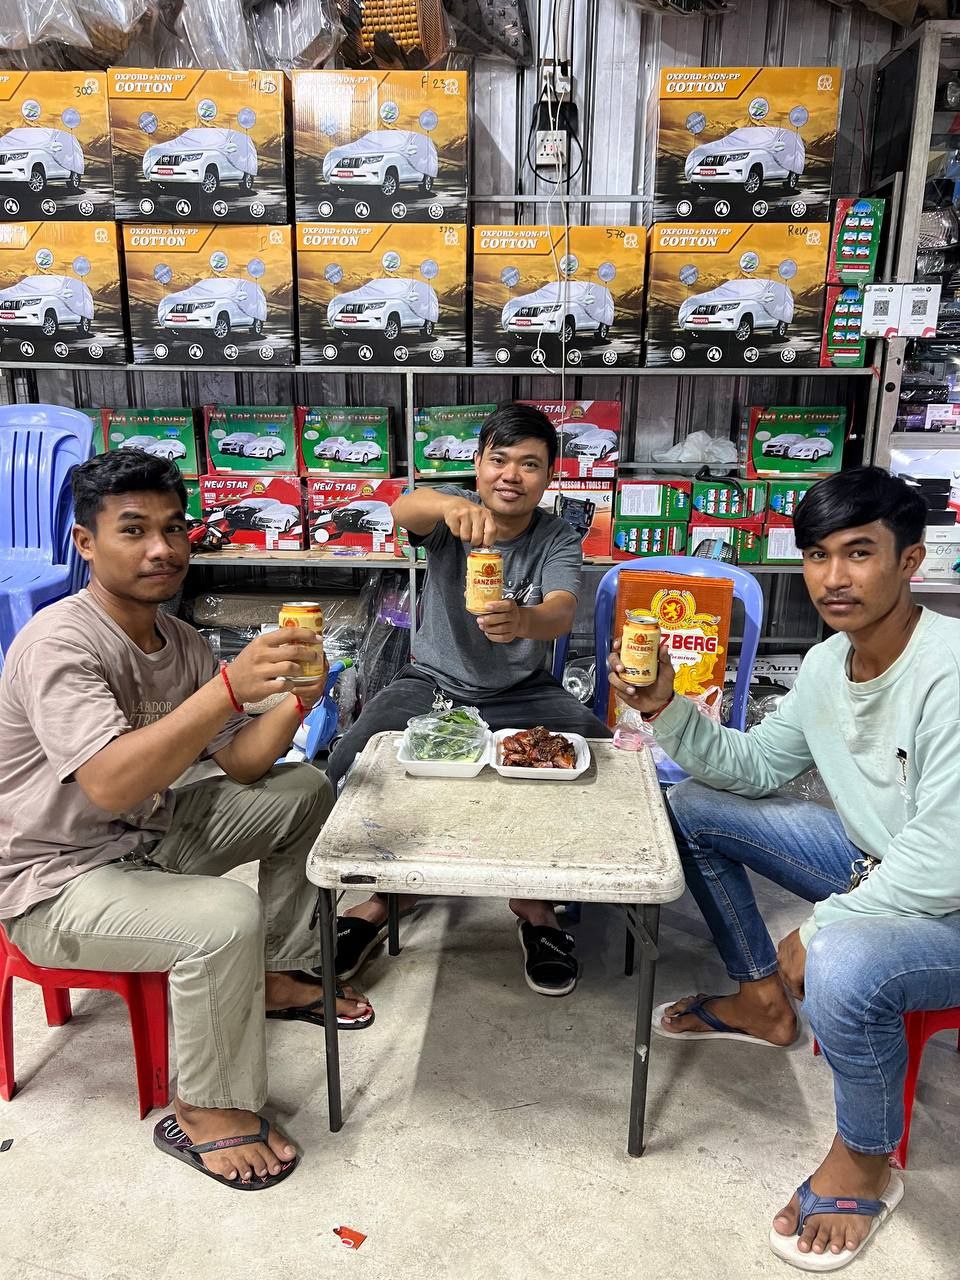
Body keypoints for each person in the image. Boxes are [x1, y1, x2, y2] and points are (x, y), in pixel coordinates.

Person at [609, 465, 960, 1269]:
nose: (833, 578)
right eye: (816, 555)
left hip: (948, 895)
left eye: (859, 553)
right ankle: (762, 1003)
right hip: (880, 863)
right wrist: (663, 706)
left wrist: (825, 923)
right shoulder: (828, 664)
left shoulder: (950, 670)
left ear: (910, 561)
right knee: (692, 806)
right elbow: (757, 766)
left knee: (844, 959)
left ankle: (865, 1160)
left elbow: (945, 860)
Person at [0, 449, 373, 1192]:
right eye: (133, 530)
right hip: (54, 880)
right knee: (224, 916)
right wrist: (228, 691)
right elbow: (109, 783)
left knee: (303, 788)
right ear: (85, 543)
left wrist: (298, 697)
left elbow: (242, 764)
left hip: (148, 838)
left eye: (173, 528)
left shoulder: (184, 643)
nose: (161, 549)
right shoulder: (59, 642)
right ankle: (204, 1109)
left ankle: (273, 973)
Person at [327, 403, 610, 996]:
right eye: (498, 459)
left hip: (522, 689)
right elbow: (404, 507)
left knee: (600, 757)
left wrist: (524, 621)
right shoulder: (453, 514)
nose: (511, 475)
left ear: (549, 475)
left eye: (529, 464)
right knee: (349, 761)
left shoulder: (556, 535)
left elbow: (561, 610)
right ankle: (383, 898)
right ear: (478, 464)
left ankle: (536, 904)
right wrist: (447, 506)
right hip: (431, 681)